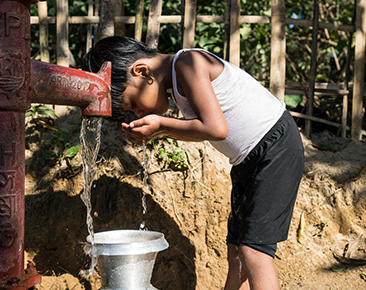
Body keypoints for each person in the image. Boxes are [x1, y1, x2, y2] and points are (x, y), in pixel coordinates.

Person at [83, 36, 304, 290]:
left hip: (275, 147)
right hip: (248, 160)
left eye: (133, 104)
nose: (138, 113)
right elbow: (207, 129)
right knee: (237, 253)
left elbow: (216, 129)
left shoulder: (189, 63)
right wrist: (158, 129)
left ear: (142, 72)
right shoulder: (179, 78)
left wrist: (161, 126)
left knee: (254, 252)